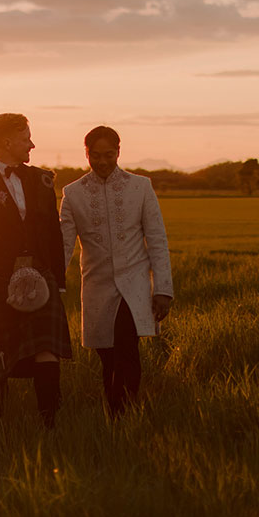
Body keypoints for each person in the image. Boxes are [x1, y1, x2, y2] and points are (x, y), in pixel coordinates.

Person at [0, 113, 72, 428]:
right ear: (6, 142)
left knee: (47, 349)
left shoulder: (41, 180)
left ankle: (51, 425)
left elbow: (52, 232)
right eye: (25, 139)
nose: (31, 145)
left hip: (40, 279)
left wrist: (57, 284)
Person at [59, 126, 173, 417]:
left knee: (127, 351)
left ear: (119, 152)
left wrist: (162, 289)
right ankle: (115, 413)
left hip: (134, 286)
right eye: (95, 156)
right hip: (97, 288)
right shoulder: (72, 194)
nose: (102, 162)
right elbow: (63, 246)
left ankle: (122, 415)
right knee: (108, 358)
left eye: (109, 155)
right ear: (86, 154)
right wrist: (51, 286)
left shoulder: (140, 187)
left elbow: (157, 240)